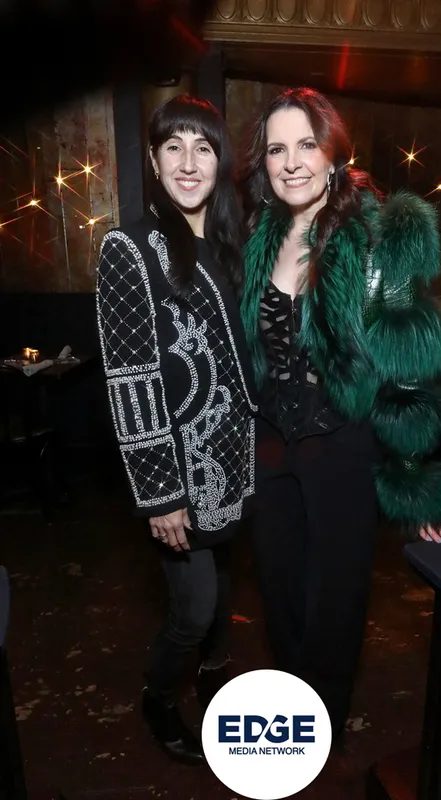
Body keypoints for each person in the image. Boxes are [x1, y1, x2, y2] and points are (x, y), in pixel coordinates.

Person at [239, 87, 441, 740]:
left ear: (333, 153)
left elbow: (408, 362)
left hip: (343, 443)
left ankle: (318, 721)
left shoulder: (378, 237)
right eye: (277, 148)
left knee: (335, 596)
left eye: (306, 144)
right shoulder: (258, 234)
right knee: (277, 588)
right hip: (270, 446)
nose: (291, 162)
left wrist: (413, 481)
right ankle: (290, 707)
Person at [96, 95, 257, 764]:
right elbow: (130, 380)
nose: (189, 162)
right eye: (174, 146)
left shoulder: (230, 244)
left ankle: (214, 677)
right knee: (193, 609)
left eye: (204, 147)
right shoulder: (130, 248)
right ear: (154, 159)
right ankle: (159, 697)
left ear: (220, 162)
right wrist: (160, 493)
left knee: (221, 590)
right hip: (179, 474)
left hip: (233, 464)